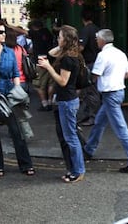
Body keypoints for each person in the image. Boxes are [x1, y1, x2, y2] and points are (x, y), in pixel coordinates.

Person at [83, 29, 128, 173]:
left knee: (121, 129)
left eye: (97, 38)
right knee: (99, 122)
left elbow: (95, 75)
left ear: (103, 40)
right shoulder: (120, 53)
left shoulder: (103, 55)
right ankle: (89, 149)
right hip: (118, 92)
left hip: (110, 94)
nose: (96, 40)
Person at [0, 20, 35, 177]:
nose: (3, 34)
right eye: (0, 32)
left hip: (10, 95)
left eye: (4, 31)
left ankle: (26, 164)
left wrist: (18, 90)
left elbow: (15, 74)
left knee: (17, 131)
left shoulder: (9, 52)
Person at [38, 25, 85, 183]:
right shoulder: (72, 54)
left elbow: (62, 81)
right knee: (69, 136)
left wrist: (48, 67)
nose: (58, 39)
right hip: (68, 100)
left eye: (60, 37)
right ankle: (74, 169)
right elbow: (51, 53)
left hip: (67, 101)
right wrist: (61, 44)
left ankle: (78, 171)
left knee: (71, 138)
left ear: (66, 39)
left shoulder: (67, 58)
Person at [77, 9, 101, 126]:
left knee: (91, 91)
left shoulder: (86, 30)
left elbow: (81, 47)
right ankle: (88, 115)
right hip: (97, 62)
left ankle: (93, 117)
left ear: (82, 19)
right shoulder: (97, 29)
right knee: (90, 91)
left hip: (90, 63)